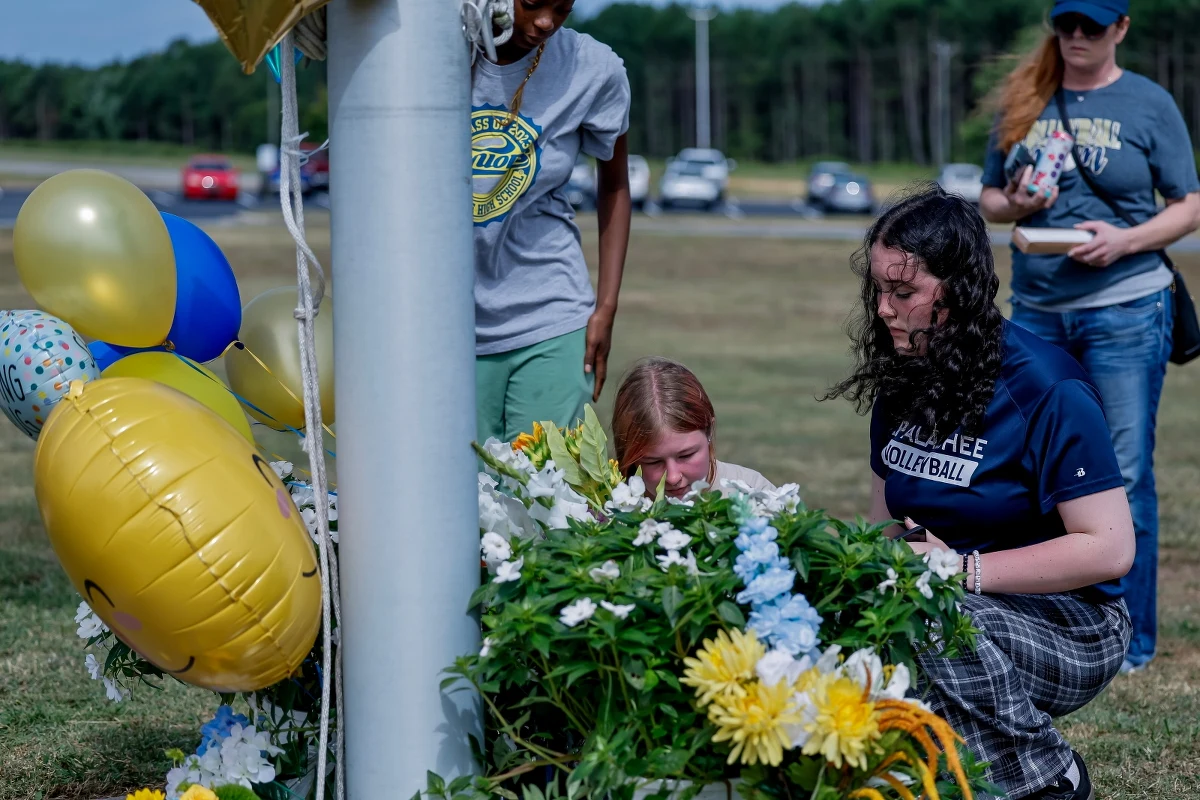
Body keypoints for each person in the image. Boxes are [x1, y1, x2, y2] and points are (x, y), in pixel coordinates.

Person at [828, 186, 1135, 800]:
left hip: (1076, 626)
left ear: (960, 288)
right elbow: (887, 527)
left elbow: (1108, 550)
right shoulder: (904, 373)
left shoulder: (1046, 387)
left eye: (904, 292)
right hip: (958, 606)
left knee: (930, 619)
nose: (885, 310)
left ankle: (1052, 777)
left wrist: (957, 570)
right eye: (878, 291)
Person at [979, 0, 1200, 674]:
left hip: (1125, 306)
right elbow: (988, 197)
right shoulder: (1025, 93)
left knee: (1124, 474)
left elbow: (1189, 204)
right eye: (1066, 24)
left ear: (1121, 30)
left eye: (1092, 27)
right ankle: (1049, 612)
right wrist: (1016, 207)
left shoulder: (1148, 102)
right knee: (1032, 471)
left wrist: (1125, 241)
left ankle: (1130, 638)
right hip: (1037, 309)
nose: (1076, 37)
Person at [472, 0, 632, 444]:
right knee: (457, 499)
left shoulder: (592, 69)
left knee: (548, 500)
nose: (545, 22)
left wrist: (606, 307)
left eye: (562, 8)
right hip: (444, 323)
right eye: (530, 4)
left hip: (551, 313)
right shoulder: (430, 53)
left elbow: (615, 185)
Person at [611, 357, 775, 499]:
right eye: (654, 462)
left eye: (686, 455)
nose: (673, 477)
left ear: (709, 430)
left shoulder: (754, 493)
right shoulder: (606, 509)